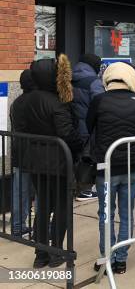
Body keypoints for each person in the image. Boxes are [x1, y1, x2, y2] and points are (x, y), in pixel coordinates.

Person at [11, 55, 82, 268]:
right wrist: (79, 146)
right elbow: (67, 133)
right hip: (58, 161)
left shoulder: (24, 101)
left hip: (34, 162)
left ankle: (40, 254)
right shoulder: (56, 101)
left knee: (42, 206)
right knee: (61, 207)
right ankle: (56, 252)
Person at [87, 62, 135, 275]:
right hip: (133, 166)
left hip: (106, 167)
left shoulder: (99, 100)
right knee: (126, 213)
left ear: (108, 79)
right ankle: (121, 259)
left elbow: (89, 126)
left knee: (105, 214)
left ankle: (107, 257)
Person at [71, 53, 105, 201]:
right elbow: (101, 105)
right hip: (88, 127)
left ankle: (74, 188)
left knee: (75, 157)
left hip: (72, 126)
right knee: (88, 158)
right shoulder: (94, 82)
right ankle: (84, 191)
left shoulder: (69, 79)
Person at [9, 70, 37, 237]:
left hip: (19, 152)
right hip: (36, 153)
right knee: (41, 192)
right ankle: (40, 227)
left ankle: (17, 226)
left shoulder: (17, 102)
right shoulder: (36, 101)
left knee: (20, 191)